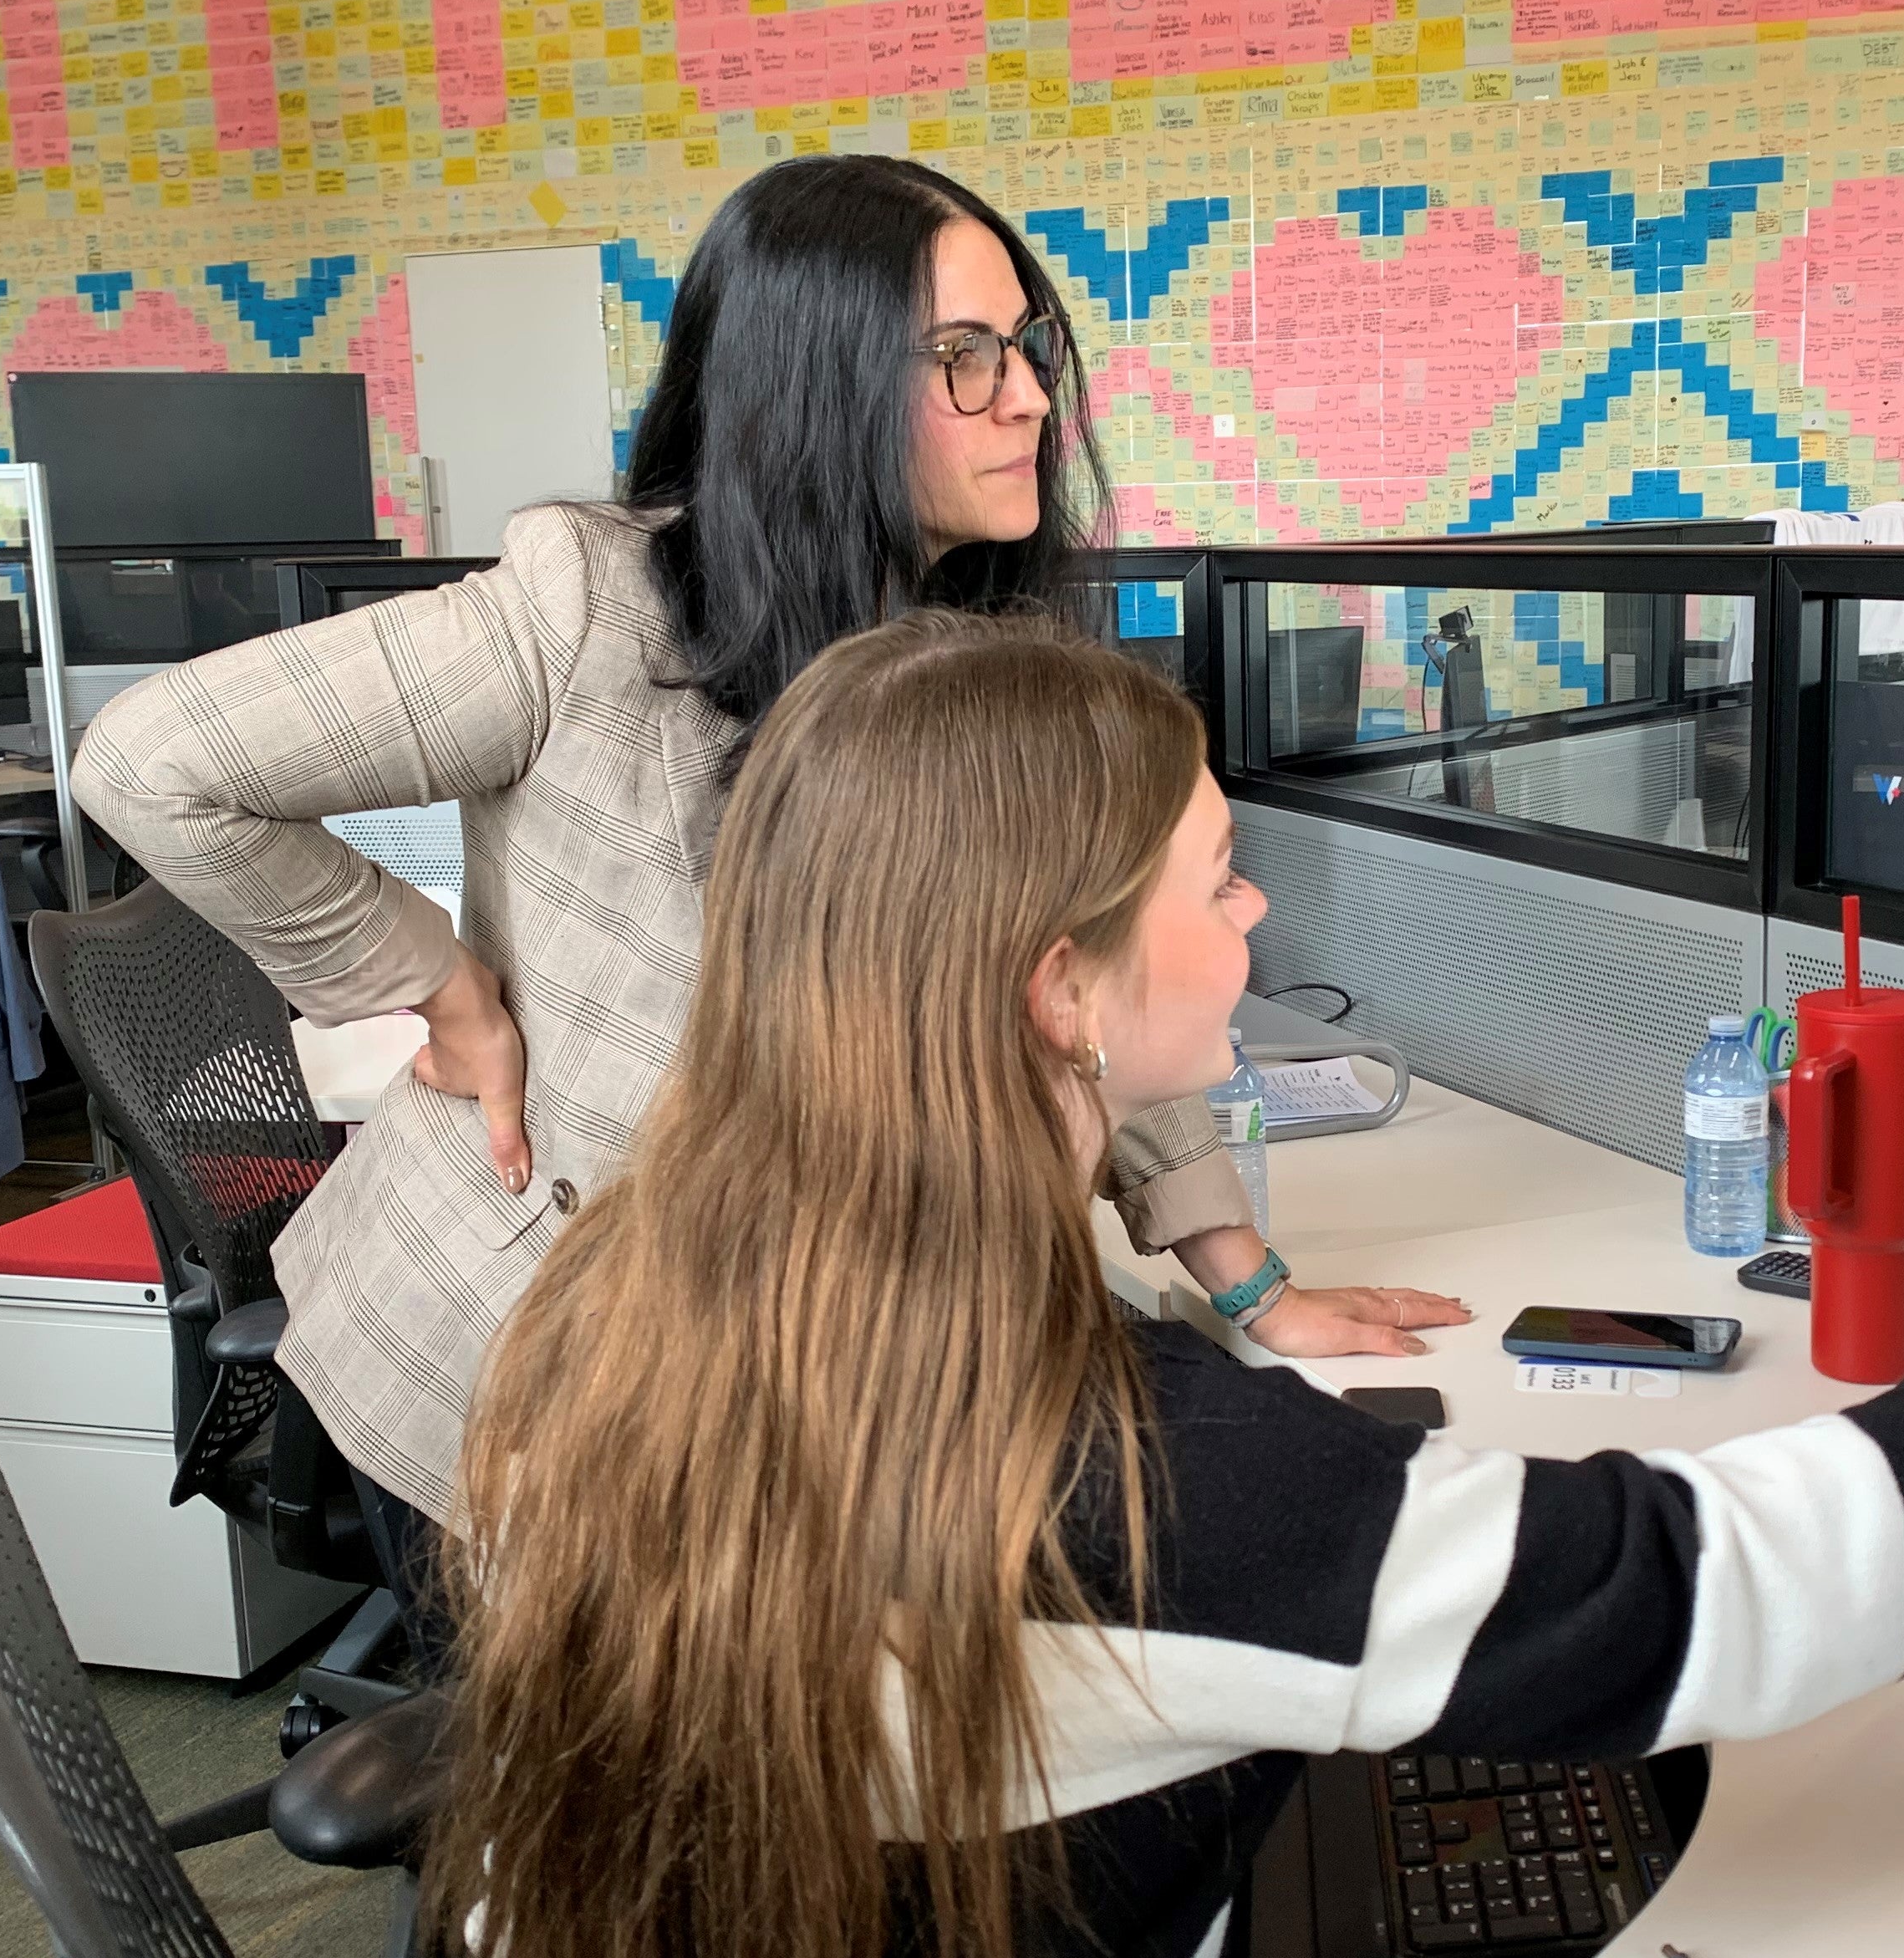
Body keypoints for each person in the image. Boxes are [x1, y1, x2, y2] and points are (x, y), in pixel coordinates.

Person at [392, 611, 1904, 1958]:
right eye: (1214, 877)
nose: (1257, 911)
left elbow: (840, 1785)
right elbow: (1706, 1593)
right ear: (1061, 990)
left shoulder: (628, 1292)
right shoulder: (1139, 1477)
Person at [77, 158, 1464, 1588]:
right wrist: (436, 982)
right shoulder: (590, 610)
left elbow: (1089, 985)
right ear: (818, 381)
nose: (1029, 401)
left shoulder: (972, 645)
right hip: (512, 1373)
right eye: (964, 355)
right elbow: (152, 761)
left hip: (766, 1360)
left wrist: (1247, 1279)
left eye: (1026, 346)